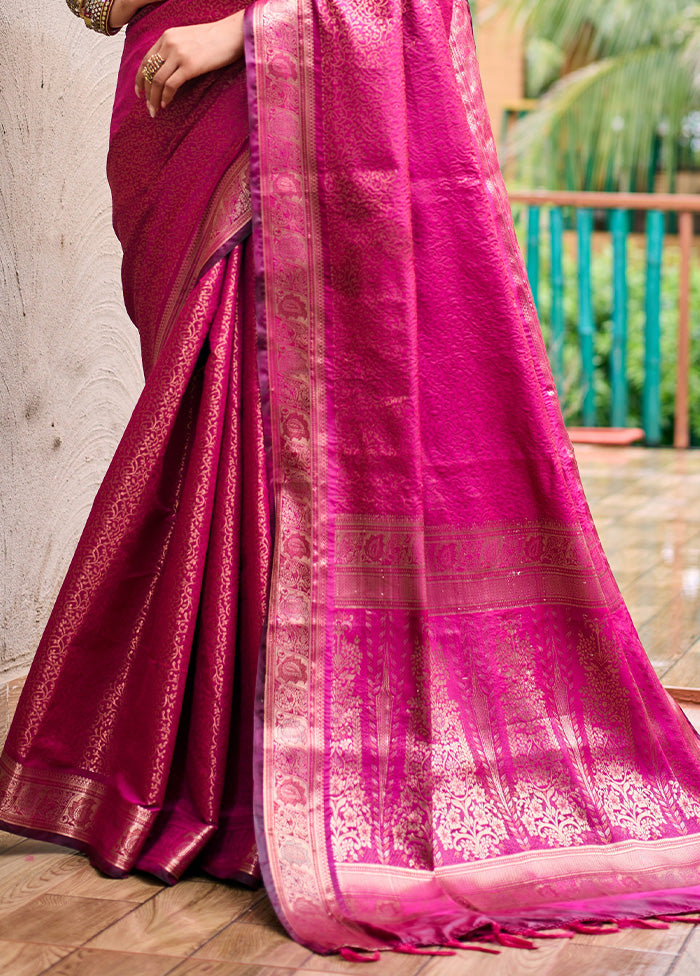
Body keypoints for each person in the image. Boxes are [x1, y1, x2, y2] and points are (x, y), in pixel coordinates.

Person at [3, 0, 700, 961]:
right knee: (209, 423)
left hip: (265, 102)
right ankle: (214, 761)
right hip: (173, 107)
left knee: (251, 412)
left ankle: (278, 781)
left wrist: (241, 34)